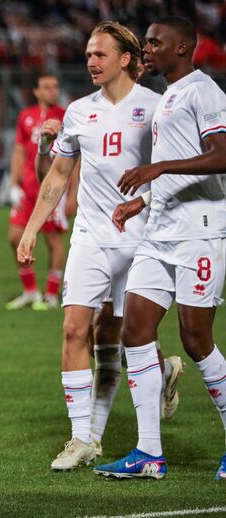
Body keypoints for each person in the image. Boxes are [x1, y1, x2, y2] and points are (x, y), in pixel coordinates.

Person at [18, 21, 184, 472]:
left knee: (119, 336)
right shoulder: (77, 112)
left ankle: (160, 375)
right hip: (90, 237)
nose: (90, 61)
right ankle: (81, 439)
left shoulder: (156, 108)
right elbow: (57, 175)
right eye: (88, 54)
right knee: (75, 330)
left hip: (143, 239)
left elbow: (174, 168)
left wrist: (147, 203)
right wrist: (34, 228)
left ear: (126, 59)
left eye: (100, 54)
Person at [94, 16, 226, 480]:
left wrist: (157, 169)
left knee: (195, 340)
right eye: (145, 42)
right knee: (135, 329)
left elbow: (222, 155)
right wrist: (143, 200)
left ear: (184, 47)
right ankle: (149, 453)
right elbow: (181, 164)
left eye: (155, 42)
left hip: (199, 232)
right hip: (160, 232)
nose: (146, 48)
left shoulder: (203, 91)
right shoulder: (170, 95)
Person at [6, 74, 69, 311]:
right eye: (47, 87)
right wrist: (13, 184)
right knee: (14, 237)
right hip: (28, 189)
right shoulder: (26, 116)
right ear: (36, 91)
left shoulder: (65, 116)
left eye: (55, 87)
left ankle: (51, 295)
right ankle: (31, 291)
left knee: (53, 240)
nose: (52, 91)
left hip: (52, 188)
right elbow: (19, 151)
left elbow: (75, 157)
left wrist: (71, 194)